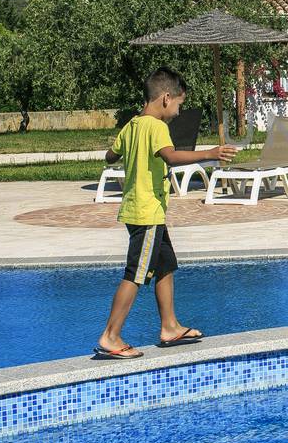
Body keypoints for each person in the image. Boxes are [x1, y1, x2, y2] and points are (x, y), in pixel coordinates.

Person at [95, 67, 238, 359]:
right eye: (178, 105)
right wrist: (210, 153)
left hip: (142, 210)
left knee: (165, 265)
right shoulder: (157, 127)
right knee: (135, 273)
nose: (177, 111)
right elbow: (170, 156)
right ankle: (111, 335)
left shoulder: (132, 125)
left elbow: (111, 155)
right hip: (147, 214)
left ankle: (170, 326)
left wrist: (126, 150)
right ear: (165, 98)